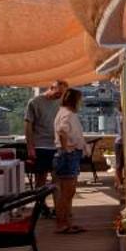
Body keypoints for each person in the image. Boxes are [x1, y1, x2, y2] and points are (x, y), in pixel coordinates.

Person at [52, 85, 87, 232]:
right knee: (67, 192)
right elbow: (62, 131)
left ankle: (66, 222)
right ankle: (62, 224)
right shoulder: (68, 114)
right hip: (69, 155)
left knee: (68, 192)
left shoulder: (64, 112)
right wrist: (67, 149)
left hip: (69, 155)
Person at [24, 78, 64, 189]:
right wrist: (30, 147)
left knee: (57, 177)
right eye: (58, 93)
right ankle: (39, 203)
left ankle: (57, 204)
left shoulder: (61, 102)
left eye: (62, 94)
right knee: (41, 178)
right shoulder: (35, 102)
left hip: (57, 146)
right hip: (40, 146)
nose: (60, 96)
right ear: (51, 88)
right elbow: (28, 126)